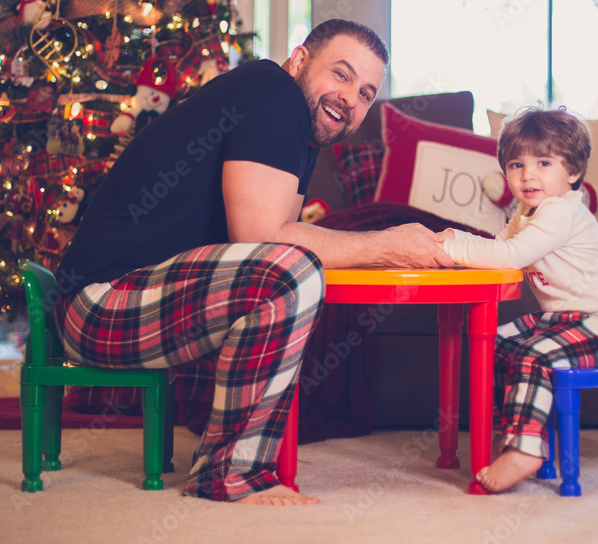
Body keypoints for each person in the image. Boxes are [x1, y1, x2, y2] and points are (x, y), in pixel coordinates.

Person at [52, 19, 453, 506]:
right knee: (290, 273)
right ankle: (227, 473)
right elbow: (265, 242)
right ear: (300, 61)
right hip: (98, 308)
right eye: (342, 75)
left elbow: (273, 238)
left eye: (367, 93)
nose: (351, 98)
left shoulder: (299, 131)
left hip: (135, 298)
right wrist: (383, 244)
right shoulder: (273, 92)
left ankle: (247, 453)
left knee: (292, 269)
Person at [437, 106, 598, 492]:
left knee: (533, 356)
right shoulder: (528, 211)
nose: (527, 174)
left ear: (573, 172)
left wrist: (453, 249)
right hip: (568, 320)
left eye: (543, 162)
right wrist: (455, 239)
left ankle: (527, 449)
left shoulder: (559, 211)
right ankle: (514, 427)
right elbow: (500, 247)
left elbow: (511, 258)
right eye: (516, 164)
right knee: (495, 342)